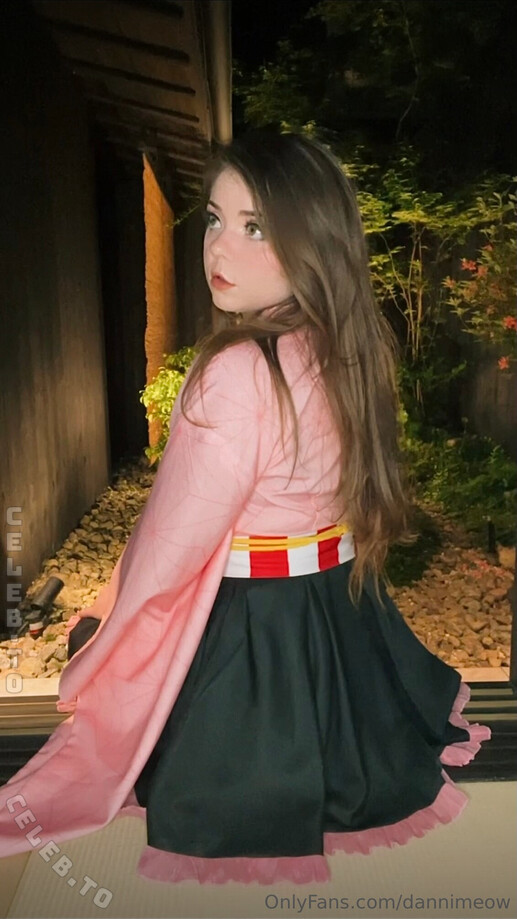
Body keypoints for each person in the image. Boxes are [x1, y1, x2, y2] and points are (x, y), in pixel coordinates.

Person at [0, 130, 490, 886]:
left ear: (312, 240)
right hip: (339, 614)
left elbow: (172, 543)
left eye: (255, 226)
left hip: (252, 631)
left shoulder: (234, 370)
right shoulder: (342, 346)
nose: (219, 247)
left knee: (155, 717)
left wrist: (106, 632)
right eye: (214, 218)